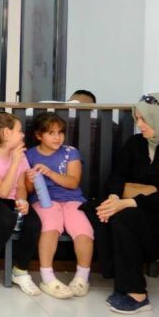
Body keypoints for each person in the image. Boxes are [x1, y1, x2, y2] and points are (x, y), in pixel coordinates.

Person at [88, 93, 159, 315]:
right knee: (97, 210)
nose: (140, 124)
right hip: (130, 205)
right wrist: (114, 197)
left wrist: (127, 203)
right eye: (137, 119)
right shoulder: (135, 143)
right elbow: (118, 175)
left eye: (145, 119)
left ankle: (138, 294)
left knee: (124, 218)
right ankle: (121, 282)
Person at [24, 112, 94, 299]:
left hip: (72, 199)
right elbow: (28, 190)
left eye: (60, 132)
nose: (57, 137)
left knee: (83, 230)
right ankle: (47, 278)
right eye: (51, 133)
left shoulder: (71, 152)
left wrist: (50, 173)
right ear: (39, 135)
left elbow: (73, 182)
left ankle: (82, 277)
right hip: (44, 200)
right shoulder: (29, 155)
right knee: (50, 227)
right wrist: (29, 178)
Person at [0, 112, 42, 295]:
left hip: (12, 199)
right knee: (6, 219)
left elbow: (20, 187)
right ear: (6, 133)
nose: (22, 135)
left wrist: (22, 201)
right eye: (19, 131)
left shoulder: (20, 157)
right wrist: (14, 163)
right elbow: (2, 192)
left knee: (34, 223)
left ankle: (20, 271)